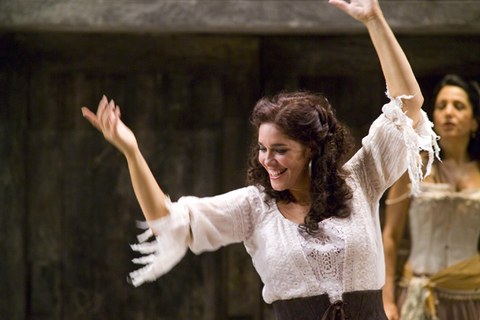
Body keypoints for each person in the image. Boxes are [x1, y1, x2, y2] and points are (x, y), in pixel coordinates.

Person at [81, 0, 438, 318]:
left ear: (312, 148)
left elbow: (407, 106)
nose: (268, 159)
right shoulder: (255, 207)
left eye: (280, 150)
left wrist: (375, 20)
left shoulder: (360, 180)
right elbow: (167, 219)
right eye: (263, 149)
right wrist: (131, 150)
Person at [382, 74, 480, 320]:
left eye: (458, 106)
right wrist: (386, 298)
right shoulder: (413, 168)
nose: (449, 112)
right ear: (433, 117)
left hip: (471, 295)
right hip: (417, 292)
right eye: (441, 106)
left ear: (474, 122)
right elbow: (391, 236)